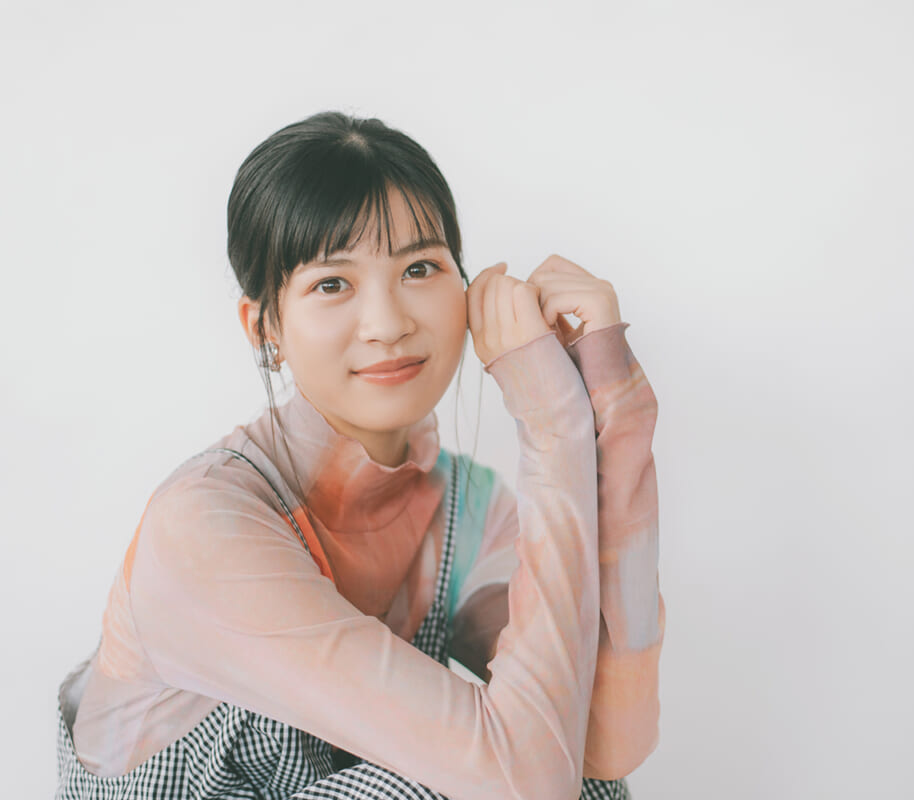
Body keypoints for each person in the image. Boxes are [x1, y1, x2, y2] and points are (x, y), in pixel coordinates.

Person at [54, 111, 665, 800]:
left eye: (420, 268)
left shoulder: (464, 508)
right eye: (332, 284)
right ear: (265, 326)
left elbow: (606, 742)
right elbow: (523, 780)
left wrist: (613, 406)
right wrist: (551, 428)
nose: (388, 324)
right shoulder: (204, 525)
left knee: (584, 778)